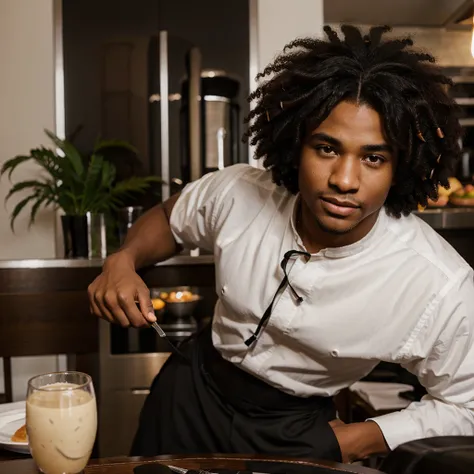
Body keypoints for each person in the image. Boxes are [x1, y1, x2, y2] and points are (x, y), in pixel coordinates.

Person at [88, 25, 474, 463]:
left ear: (401, 167)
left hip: (298, 431)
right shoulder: (238, 193)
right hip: (189, 394)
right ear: (296, 144)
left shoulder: (438, 282)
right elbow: (169, 218)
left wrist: (358, 438)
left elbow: (469, 404)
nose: (344, 181)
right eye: (327, 148)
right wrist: (123, 260)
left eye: (373, 157)